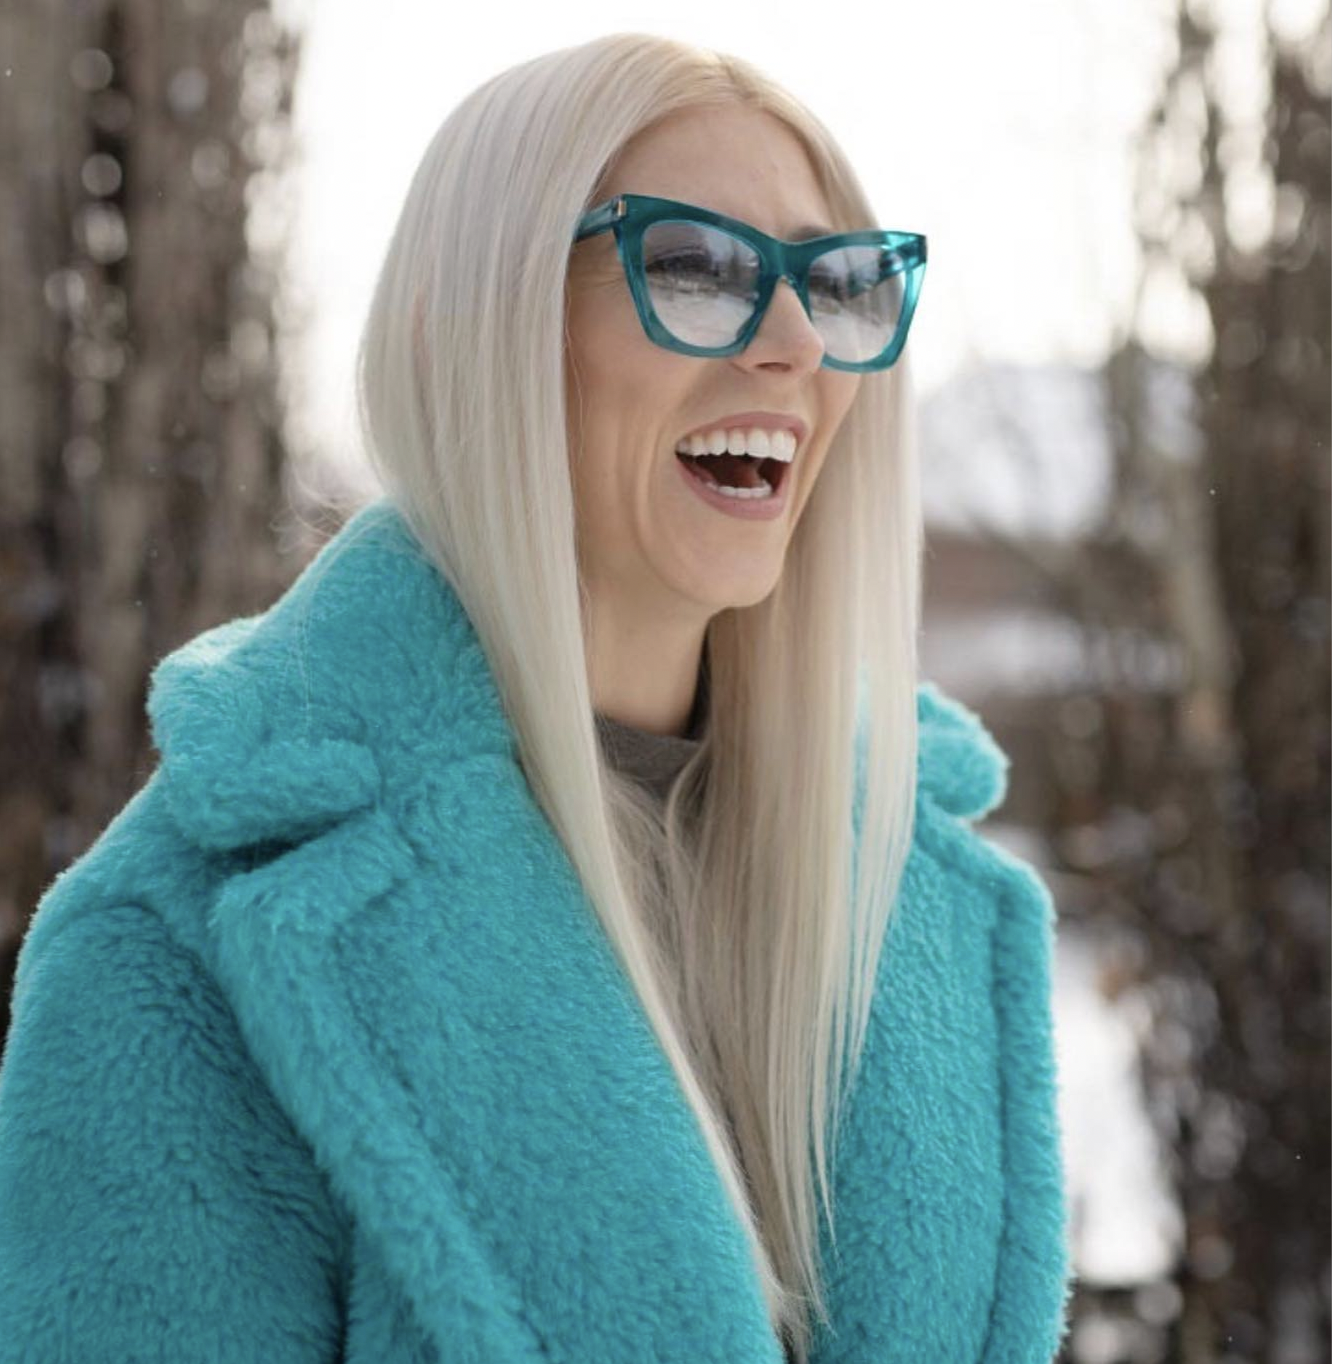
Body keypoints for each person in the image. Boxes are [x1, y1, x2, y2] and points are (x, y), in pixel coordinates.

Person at [0, 32, 1073, 1364]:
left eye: (839, 282)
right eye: (694, 266)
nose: (797, 343)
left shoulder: (913, 896)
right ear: (486, 317)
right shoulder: (183, 948)